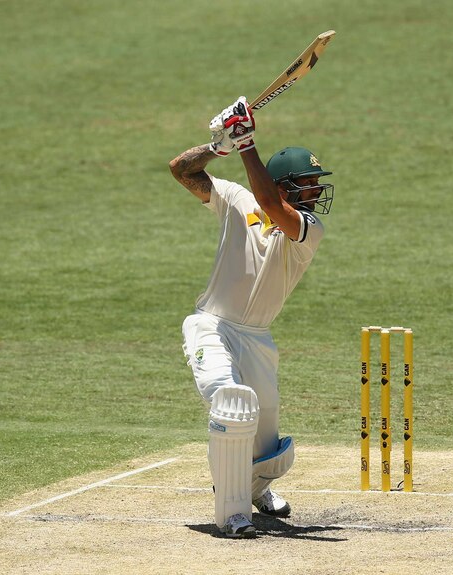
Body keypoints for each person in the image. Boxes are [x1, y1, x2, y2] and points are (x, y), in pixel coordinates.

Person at [168, 97, 334, 538]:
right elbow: (182, 170)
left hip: (257, 339)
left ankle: (256, 489)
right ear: (282, 183)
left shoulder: (306, 226)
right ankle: (233, 511)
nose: (315, 193)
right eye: (307, 184)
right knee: (230, 402)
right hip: (212, 325)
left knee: (268, 447)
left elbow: (269, 204)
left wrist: (245, 144)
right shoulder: (236, 198)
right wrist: (218, 146)